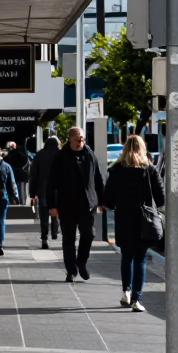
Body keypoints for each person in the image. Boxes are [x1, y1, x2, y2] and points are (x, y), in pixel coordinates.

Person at [103, 134, 164, 313]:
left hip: (124, 219)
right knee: (140, 260)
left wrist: (118, 205)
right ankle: (136, 299)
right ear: (142, 148)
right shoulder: (150, 170)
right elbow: (160, 198)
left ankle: (126, 291)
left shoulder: (116, 170)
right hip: (144, 221)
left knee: (126, 257)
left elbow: (107, 198)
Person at [46, 126, 105, 283]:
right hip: (67, 205)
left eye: (83, 139)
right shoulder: (60, 157)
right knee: (69, 239)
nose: (81, 142)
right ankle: (71, 270)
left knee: (89, 234)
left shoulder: (90, 154)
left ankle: (82, 262)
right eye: (78, 140)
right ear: (70, 139)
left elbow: (98, 178)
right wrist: (52, 205)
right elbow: (51, 182)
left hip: (87, 204)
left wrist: (102, 200)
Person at [28, 134, 61, 249]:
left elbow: (33, 176)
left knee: (43, 215)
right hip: (58, 191)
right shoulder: (61, 155)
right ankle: (55, 232)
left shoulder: (39, 155)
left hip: (43, 190)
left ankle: (44, 237)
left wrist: (32, 193)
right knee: (55, 211)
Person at [3, 140, 30, 205]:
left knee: (11, 191)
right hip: (22, 176)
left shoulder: (6, 157)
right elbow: (26, 164)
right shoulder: (22, 154)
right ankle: (22, 205)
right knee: (22, 193)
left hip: (12, 177)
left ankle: (12, 203)